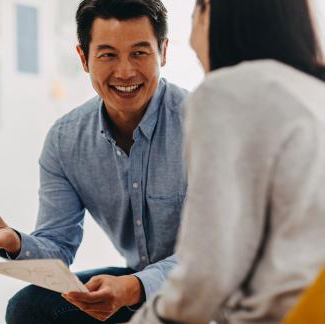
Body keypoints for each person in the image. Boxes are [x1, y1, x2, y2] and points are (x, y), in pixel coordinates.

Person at [0, 0, 188, 323]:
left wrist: (133, 286)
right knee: (28, 308)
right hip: (140, 287)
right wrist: (13, 241)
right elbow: (57, 246)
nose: (125, 71)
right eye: (108, 55)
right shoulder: (65, 140)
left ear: (164, 52)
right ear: (84, 58)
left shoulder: (205, 126)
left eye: (140, 53)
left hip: (212, 291)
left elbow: (221, 255)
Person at [129, 0, 325, 323]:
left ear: (209, 13)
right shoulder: (314, 91)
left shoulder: (226, 93)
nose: (192, 42)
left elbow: (206, 274)